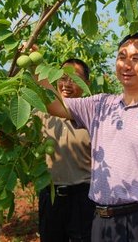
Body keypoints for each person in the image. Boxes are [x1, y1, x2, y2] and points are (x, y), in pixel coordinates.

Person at [43, 32, 138, 242]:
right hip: (102, 222)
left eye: (136, 58)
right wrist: (36, 67)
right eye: (122, 57)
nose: (126, 65)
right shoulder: (100, 106)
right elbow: (54, 104)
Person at [37, 58, 95, 242]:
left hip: (83, 198)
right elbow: (17, 140)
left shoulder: (92, 115)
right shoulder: (41, 113)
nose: (66, 84)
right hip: (51, 196)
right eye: (62, 78)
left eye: (74, 78)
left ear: (86, 83)